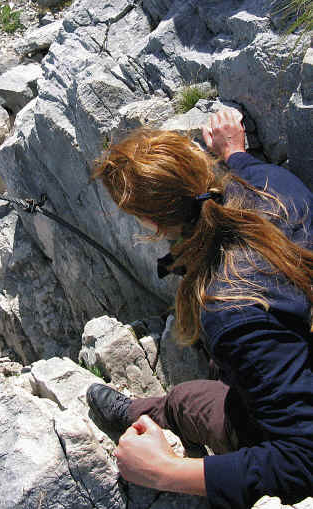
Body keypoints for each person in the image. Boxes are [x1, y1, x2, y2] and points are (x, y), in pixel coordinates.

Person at [86, 108, 313, 508]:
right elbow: (246, 173)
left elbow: (303, 460)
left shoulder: (230, 308)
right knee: (216, 375)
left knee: (188, 400)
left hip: (282, 412)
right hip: (290, 349)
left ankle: (141, 414)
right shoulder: (273, 183)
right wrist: (235, 151)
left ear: (152, 225)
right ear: (198, 162)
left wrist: (165, 472)